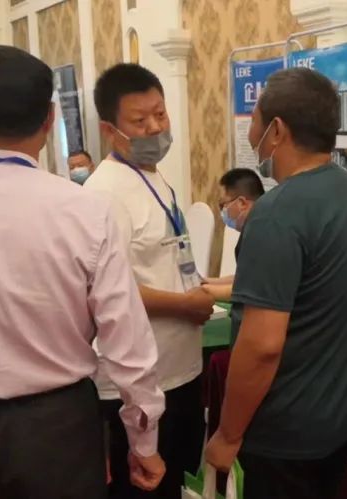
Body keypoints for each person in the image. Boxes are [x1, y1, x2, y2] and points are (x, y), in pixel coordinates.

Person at [0, 46, 167, 499]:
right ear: (49, 119)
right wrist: (144, 440)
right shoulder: (82, 208)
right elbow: (126, 339)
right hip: (55, 427)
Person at [204, 67, 347, 498]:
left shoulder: (277, 212)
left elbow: (262, 345)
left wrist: (227, 433)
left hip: (283, 438)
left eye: (255, 120)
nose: (252, 133)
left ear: (276, 130)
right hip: (335, 423)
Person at [85, 63, 214, 499]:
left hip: (179, 368)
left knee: (178, 481)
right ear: (109, 130)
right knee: (142, 489)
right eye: (140, 121)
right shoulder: (105, 192)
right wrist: (184, 304)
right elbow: (107, 288)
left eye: (160, 114)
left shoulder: (152, 175)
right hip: (137, 386)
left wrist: (202, 287)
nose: (156, 128)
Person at [201, 167, 264, 302]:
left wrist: (203, 291)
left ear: (241, 203)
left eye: (223, 205)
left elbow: (253, 289)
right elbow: (245, 278)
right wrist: (204, 281)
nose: (223, 211)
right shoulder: (255, 226)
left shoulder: (263, 233)